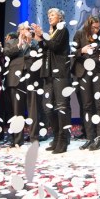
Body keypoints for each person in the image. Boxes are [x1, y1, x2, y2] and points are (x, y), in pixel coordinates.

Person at [33, 8, 72, 154]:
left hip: (60, 72)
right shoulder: (51, 32)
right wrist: (40, 39)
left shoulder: (63, 29)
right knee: (47, 107)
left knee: (61, 106)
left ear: (60, 18)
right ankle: (56, 136)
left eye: (52, 15)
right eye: (48, 15)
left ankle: (63, 139)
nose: (49, 17)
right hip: (48, 73)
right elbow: (46, 49)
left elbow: (55, 46)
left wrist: (43, 36)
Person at [72, 16, 100, 150]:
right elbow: (72, 52)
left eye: (98, 27)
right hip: (83, 72)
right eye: (94, 27)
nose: (96, 30)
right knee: (86, 106)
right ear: (88, 26)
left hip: (98, 71)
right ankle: (89, 138)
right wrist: (82, 50)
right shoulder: (79, 34)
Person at [4, 23, 41, 146]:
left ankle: (34, 138)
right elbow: (7, 54)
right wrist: (19, 44)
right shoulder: (12, 42)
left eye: (30, 29)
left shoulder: (35, 42)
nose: (29, 30)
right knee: (17, 110)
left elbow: (41, 54)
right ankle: (17, 139)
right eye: (26, 29)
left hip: (32, 77)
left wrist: (30, 43)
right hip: (16, 78)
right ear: (20, 31)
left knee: (33, 109)